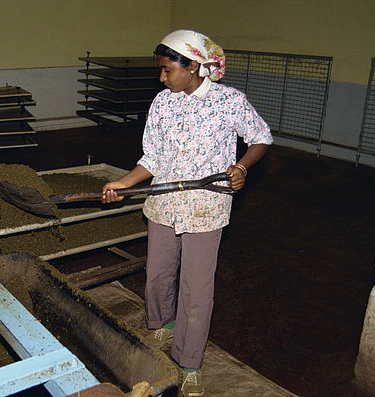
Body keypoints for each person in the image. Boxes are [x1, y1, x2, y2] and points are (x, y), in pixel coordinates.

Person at [101, 30, 273, 397]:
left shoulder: (231, 102)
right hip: (164, 201)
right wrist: (123, 183)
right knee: (159, 272)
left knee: (197, 287)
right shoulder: (163, 103)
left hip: (206, 207)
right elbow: (152, 158)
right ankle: (163, 323)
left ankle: (190, 362)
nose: (162, 78)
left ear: (193, 66)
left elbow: (260, 137)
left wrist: (241, 168)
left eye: (166, 70)